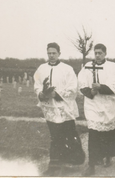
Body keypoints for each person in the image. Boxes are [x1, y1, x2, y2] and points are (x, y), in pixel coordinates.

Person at [34, 42, 85, 176]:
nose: (51, 56)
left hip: (65, 108)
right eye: (49, 53)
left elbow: (73, 88)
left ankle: (73, 162)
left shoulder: (67, 69)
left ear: (59, 54)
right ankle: (55, 166)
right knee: (55, 137)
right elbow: (37, 84)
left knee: (69, 135)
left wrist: (56, 94)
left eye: (54, 53)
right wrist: (41, 93)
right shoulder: (41, 68)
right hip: (50, 109)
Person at [78, 43, 115, 176]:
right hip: (93, 104)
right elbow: (81, 84)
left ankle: (108, 155)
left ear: (105, 53)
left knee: (108, 133)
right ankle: (91, 164)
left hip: (108, 104)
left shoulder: (112, 67)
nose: (97, 55)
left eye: (100, 53)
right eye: (96, 53)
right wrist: (91, 91)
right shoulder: (87, 67)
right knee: (93, 135)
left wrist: (101, 87)